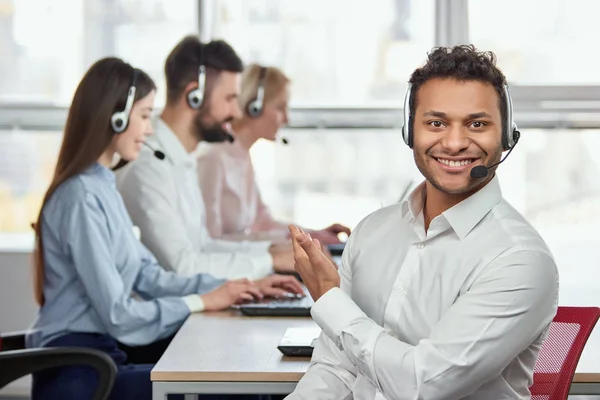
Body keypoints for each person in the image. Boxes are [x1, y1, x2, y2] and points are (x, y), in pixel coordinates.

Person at [286, 45, 559, 399]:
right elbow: (336, 368)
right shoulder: (372, 232)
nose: (456, 142)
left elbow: (424, 385)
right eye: (436, 123)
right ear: (409, 131)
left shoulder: (519, 260)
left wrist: (329, 299)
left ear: (506, 135)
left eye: (477, 124)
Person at [26, 57, 303, 400]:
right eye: (144, 116)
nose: (150, 129)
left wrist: (233, 288)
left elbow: (150, 275)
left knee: (236, 378)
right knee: (230, 391)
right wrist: (200, 301)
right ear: (115, 118)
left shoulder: (102, 187)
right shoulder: (81, 197)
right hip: (80, 372)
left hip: (104, 357)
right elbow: (119, 314)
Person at [115, 37, 299, 280]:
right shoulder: (148, 167)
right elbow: (181, 265)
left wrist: (271, 251)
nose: (236, 112)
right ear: (195, 96)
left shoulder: (183, 158)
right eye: (229, 99)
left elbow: (202, 245)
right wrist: (270, 260)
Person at [196, 64, 351, 245]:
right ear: (254, 107)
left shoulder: (242, 155)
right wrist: (287, 241)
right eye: (280, 108)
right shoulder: (213, 158)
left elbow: (262, 222)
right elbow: (211, 242)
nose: (286, 119)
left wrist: (310, 235)